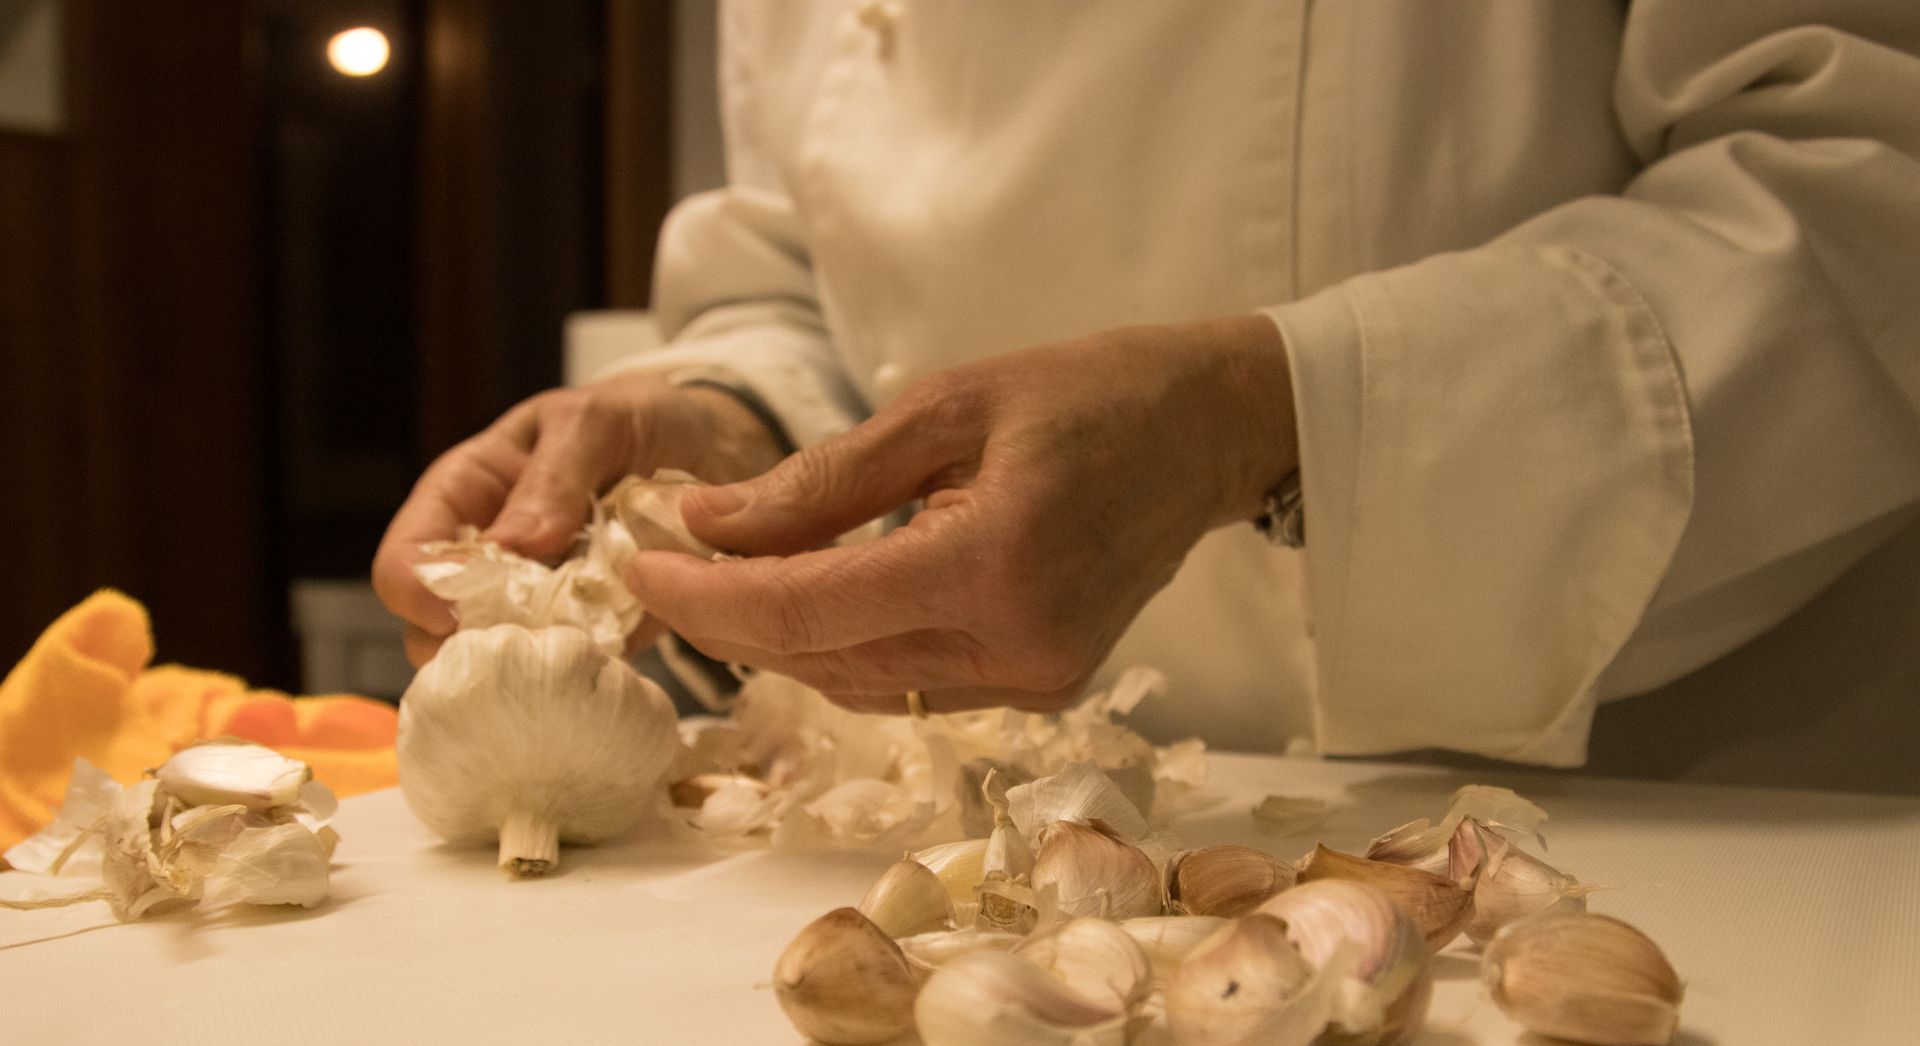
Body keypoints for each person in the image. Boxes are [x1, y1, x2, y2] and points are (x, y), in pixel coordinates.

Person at [374, 1, 1920, 777]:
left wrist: (1263, 419)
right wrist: (725, 429)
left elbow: (1863, 185)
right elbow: (805, 261)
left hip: (1659, 817)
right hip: (981, 847)